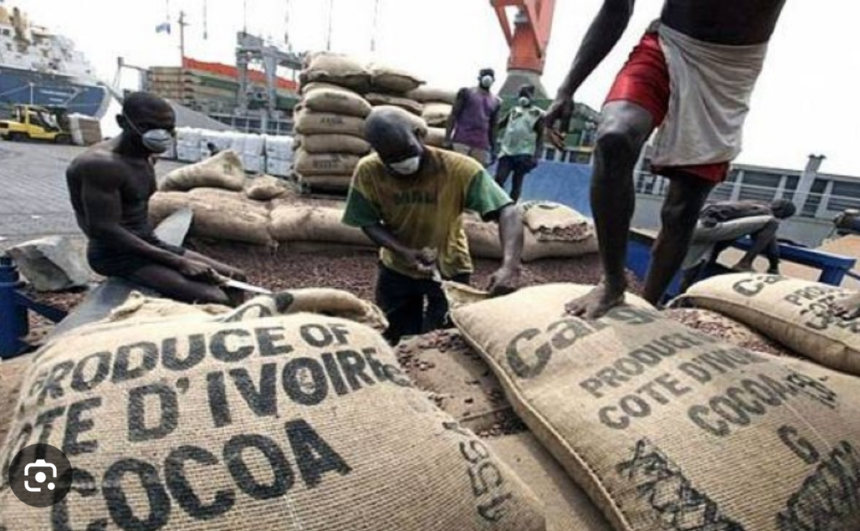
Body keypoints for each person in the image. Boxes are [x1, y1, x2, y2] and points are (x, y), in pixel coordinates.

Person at [543, 0, 788, 318]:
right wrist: (567, 89)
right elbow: (617, 8)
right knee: (614, 137)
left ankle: (649, 301)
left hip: (730, 70)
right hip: (665, 45)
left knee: (682, 210)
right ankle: (613, 283)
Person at [343, 107, 523, 344]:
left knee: (442, 342)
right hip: (397, 268)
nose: (402, 162)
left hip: (450, 267)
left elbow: (508, 211)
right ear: (376, 151)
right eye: (391, 159)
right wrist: (403, 251)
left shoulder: (458, 168)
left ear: (419, 134)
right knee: (394, 337)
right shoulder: (369, 171)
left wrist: (510, 265)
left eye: (406, 151)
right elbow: (366, 220)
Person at [66, 92, 246, 306]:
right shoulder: (101, 165)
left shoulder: (147, 156)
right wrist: (179, 262)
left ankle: (238, 321)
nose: (160, 134)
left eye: (167, 128)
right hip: (115, 255)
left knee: (236, 279)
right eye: (149, 126)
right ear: (122, 122)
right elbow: (103, 229)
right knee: (214, 298)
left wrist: (170, 257)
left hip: (149, 243)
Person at [679, 199, 797, 293]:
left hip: (691, 227)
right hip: (704, 227)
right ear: (781, 211)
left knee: (694, 268)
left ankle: (681, 298)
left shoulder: (752, 204)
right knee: (772, 223)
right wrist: (773, 267)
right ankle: (745, 263)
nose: (780, 219)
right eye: (782, 217)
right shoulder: (765, 212)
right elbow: (772, 247)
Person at [495, 85, 546, 202]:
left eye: (526, 95)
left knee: (517, 181)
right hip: (507, 151)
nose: (523, 97)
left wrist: (536, 156)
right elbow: (500, 124)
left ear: (532, 97)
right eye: (521, 95)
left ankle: (512, 204)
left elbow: (540, 137)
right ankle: (498, 202)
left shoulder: (536, 114)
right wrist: (487, 127)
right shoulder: (513, 111)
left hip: (524, 153)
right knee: (499, 178)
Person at [444, 68, 502, 167]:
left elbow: (493, 126)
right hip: (462, 140)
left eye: (490, 76)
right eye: (485, 75)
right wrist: (447, 138)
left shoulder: (496, 101)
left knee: (476, 173)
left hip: (481, 145)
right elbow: (453, 115)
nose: (487, 78)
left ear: (494, 80)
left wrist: (494, 148)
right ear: (479, 78)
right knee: (457, 170)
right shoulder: (466, 92)